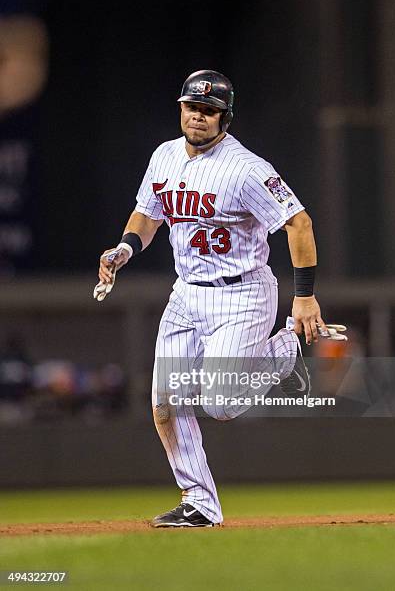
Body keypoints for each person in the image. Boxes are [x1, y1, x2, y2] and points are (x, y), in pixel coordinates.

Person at [95, 69, 332, 528]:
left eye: (209, 110)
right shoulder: (164, 156)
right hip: (186, 294)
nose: (199, 117)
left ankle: (287, 346)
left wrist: (304, 298)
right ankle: (199, 503)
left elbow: (298, 223)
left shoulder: (246, 168)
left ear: (225, 117)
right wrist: (125, 247)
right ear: (180, 108)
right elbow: (148, 213)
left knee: (221, 404)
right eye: (192, 107)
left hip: (241, 293)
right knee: (165, 402)